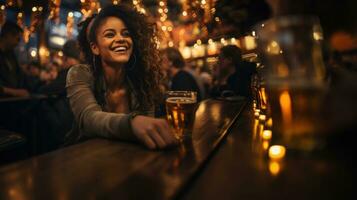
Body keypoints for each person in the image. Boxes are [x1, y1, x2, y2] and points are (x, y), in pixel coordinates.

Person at [66, 5, 177, 149]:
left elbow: (148, 130)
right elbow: (88, 119)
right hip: (85, 159)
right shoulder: (79, 73)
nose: (121, 39)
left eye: (126, 34)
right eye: (110, 34)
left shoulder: (141, 80)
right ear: (95, 47)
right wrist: (132, 123)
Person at [0, 21, 29, 97]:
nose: (17, 43)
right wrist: (15, 92)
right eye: (18, 39)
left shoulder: (10, 54)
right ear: (8, 35)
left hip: (12, 100)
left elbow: (20, 75)